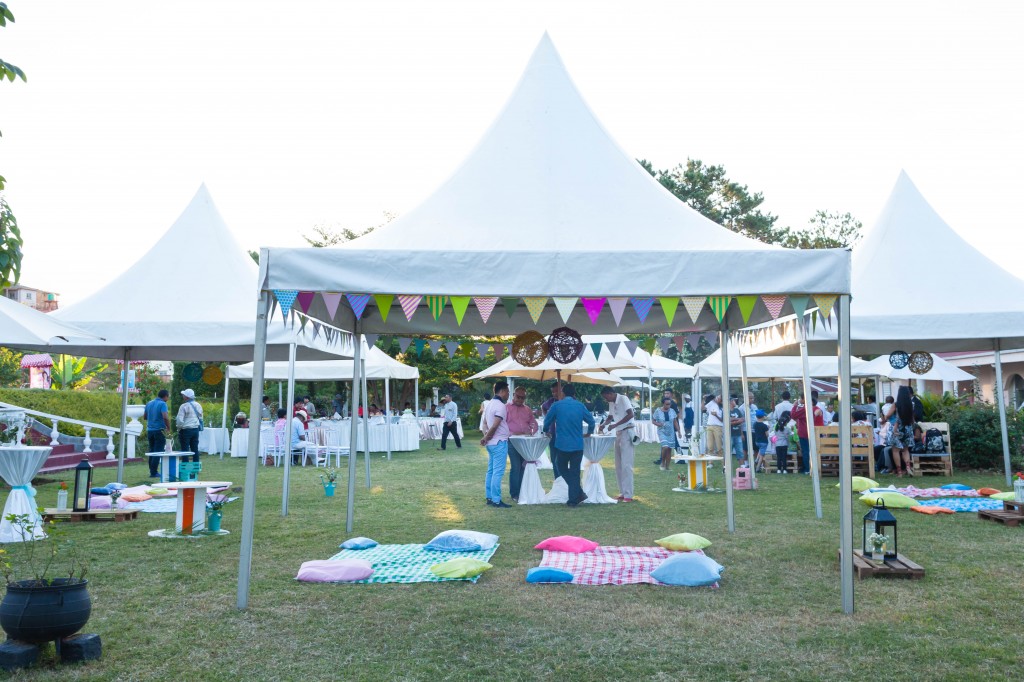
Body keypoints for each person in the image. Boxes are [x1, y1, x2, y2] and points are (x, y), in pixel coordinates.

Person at [542, 384, 595, 507]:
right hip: (577, 444)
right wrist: (589, 432)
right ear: (574, 394)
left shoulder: (556, 405)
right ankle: (575, 498)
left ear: (563, 393)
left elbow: (547, 421)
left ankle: (577, 495)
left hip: (562, 444)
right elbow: (591, 421)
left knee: (560, 466)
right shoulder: (580, 406)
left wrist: (546, 430)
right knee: (575, 471)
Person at [600, 386, 636, 501]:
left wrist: (615, 424)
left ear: (610, 393)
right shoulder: (611, 402)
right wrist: (604, 424)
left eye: (606, 397)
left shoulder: (623, 399)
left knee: (626, 465)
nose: (606, 400)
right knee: (618, 464)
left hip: (627, 431)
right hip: (618, 432)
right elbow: (610, 417)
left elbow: (631, 414)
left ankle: (628, 494)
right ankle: (622, 492)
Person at [480, 382, 512, 508]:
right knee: (497, 472)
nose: (508, 394)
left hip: (491, 443)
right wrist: (486, 437)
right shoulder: (500, 406)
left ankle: (489, 497)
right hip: (499, 442)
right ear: (502, 391)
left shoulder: (488, 405)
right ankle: (496, 500)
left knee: (491, 471)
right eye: (508, 391)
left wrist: (485, 437)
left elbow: (484, 424)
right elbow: (495, 425)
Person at [505, 387, 538, 502]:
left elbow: (533, 422)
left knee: (524, 466)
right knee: (516, 467)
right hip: (512, 441)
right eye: (518, 397)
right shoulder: (506, 408)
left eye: (523, 397)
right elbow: (502, 425)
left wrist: (532, 430)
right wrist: (513, 433)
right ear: (513, 395)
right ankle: (515, 493)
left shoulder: (527, 409)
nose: (520, 399)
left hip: (525, 442)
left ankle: (522, 490)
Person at [790, 391, 823, 475]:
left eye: (803, 399)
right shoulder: (818, 409)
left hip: (804, 433)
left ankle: (807, 468)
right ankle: (814, 468)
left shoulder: (806, 409)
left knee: (805, 451)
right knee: (813, 451)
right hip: (815, 433)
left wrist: (795, 405)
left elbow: (793, 415)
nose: (801, 400)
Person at [889, 385, 916, 477]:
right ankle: (908, 468)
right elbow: (912, 418)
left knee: (895, 451)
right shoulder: (911, 404)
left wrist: (885, 418)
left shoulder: (896, 404)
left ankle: (899, 471)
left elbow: (889, 415)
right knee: (905, 450)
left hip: (897, 428)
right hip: (908, 428)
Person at [144, 389, 171, 477]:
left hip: (150, 430)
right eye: (168, 397)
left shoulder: (149, 403)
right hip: (159, 430)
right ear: (165, 396)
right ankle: (154, 472)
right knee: (158, 451)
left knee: (152, 451)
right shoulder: (163, 404)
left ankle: (151, 471)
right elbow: (165, 417)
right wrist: (168, 427)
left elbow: (145, 417)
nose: (168, 398)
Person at [541, 382, 564, 478]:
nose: (554, 393)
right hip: (553, 434)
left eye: (556, 391)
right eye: (553, 392)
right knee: (554, 460)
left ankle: (565, 482)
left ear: (562, 390)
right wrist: (547, 417)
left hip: (564, 435)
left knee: (563, 461)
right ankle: (557, 481)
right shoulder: (551, 402)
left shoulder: (568, 401)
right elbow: (543, 407)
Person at [176, 388, 203, 464]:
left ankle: (185, 465)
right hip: (195, 429)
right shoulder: (198, 405)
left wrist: (178, 428)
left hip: (185, 430)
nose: (182, 396)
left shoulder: (183, 406)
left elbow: (180, 420)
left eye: (183, 395)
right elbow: (201, 417)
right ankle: (196, 466)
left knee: (185, 449)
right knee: (195, 449)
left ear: (187, 397)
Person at [653, 397, 679, 472]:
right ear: (663, 404)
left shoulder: (672, 411)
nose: (668, 405)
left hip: (671, 432)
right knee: (665, 447)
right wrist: (659, 424)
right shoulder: (658, 411)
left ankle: (667, 467)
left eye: (669, 404)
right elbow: (653, 421)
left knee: (669, 449)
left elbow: (675, 422)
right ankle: (662, 463)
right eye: (667, 404)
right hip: (662, 431)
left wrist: (679, 431)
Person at [772, 409, 793, 473]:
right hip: (784, 444)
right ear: (786, 423)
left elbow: (774, 434)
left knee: (779, 457)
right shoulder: (787, 429)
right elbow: (791, 434)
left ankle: (778, 469)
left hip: (777, 445)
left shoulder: (776, 429)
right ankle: (784, 469)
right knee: (784, 457)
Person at [728, 398, 746, 467]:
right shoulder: (726, 411)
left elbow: (743, 420)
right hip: (729, 435)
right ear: (730, 402)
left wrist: (741, 434)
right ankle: (726, 468)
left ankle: (742, 468)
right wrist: (738, 420)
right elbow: (727, 422)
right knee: (728, 452)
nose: (735, 402)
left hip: (738, 434)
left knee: (740, 451)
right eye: (733, 400)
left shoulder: (737, 410)